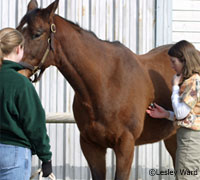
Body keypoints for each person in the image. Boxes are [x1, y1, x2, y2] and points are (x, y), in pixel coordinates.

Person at [0, 27, 53, 179]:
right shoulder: (21, 83)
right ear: (19, 49)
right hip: (14, 153)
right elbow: (35, 123)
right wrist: (46, 158)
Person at [146, 40, 200, 180]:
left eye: (174, 61)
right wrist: (166, 114)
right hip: (190, 137)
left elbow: (181, 113)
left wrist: (175, 87)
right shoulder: (193, 81)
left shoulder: (193, 83)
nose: (171, 66)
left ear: (184, 60)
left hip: (190, 139)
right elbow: (190, 115)